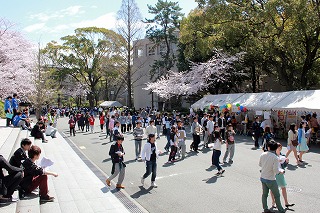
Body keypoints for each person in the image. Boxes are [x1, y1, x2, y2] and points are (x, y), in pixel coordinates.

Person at [259, 141, 286, 213]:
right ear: (275, 148)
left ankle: (265, 208)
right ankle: (281, 209)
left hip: (263, 177)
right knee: (277, 195)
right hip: (271, 179)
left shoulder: (263, 154)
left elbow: (260, 164)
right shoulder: (275, 157)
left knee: (264, 194)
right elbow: (276, 170)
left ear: (268, 147)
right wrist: (282, 171)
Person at [271, 143, 295, 209]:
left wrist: (286, 162)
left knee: (283, 188)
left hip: (281, 174)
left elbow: (284, 166)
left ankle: (286, 202)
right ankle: (273, 202)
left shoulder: (283, 155)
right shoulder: (272, 155)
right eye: (278, 148)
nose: (279, 149)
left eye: (280, 148)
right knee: (273, 189)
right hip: (274, 174)